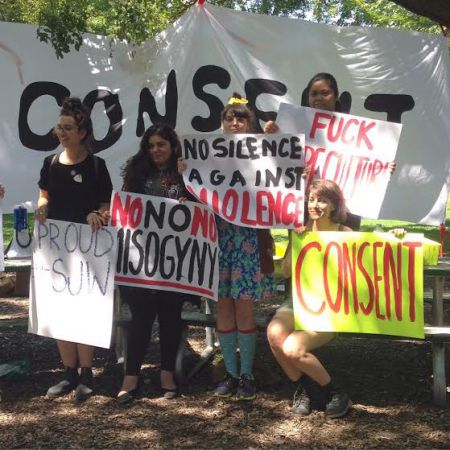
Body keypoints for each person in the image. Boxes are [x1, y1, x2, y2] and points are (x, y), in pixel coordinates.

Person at [180, 93, 275, 401]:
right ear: (221, 124)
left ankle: (247, 374)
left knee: (244, 309)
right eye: (229, 117)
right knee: (223, 308)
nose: (235, 121)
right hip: (216, 240)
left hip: (248, 240)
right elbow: (193, 197)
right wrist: (185, 171)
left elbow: (283, 181)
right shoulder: (205, 157)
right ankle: (230, 374)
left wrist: (277, 144)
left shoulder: (265, 155)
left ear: (250, 123)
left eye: (241, 117)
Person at [35, 97, 112, 401]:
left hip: (89, 250)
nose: (61, 133)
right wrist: (41, 208)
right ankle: (67, 373)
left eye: (67, 128)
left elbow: (106, 205)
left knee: (84, 308)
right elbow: (43, 195)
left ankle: (86, 374)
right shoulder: (50, 164)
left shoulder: (97, 165)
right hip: (56, 249)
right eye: (59, 127)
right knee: (60, 308)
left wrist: (99, 215)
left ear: (82, 132)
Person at [117, 123, 192, 404]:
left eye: (161, 144)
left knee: (171, 316)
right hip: (141, 262)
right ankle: (131, 376)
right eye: (150, 145)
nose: (155, 150)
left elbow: (203, 206)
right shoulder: (136, 174)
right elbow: (125, 208)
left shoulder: (187, 172)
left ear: (172, 146)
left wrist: (189, 189)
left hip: (175, 262)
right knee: (141, 318)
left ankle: (167, 374)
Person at [264, 72, 396, 230]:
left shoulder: (355, 132)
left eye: (324, 93)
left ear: (336, 96)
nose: (318, 97)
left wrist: (383, 169)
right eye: (314, 94)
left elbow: (365, 166)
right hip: (306, 205)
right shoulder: (293, 126)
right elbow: (278, 161)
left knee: (342, 253)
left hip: (345, 209)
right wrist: (273, 135)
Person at [267, 179, 353, 418]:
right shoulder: (300, 231)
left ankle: (336, 393)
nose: (315, 205)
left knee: (293, 348)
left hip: (332, 306)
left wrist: (397, 235)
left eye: (322, 200)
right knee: (275, 334)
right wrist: (296, 242)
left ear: (334, 206)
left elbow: (369, 259)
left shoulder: (345, 234)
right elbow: (285, 272)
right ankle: (305, 389)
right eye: (312, 199)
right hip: (299, 301)